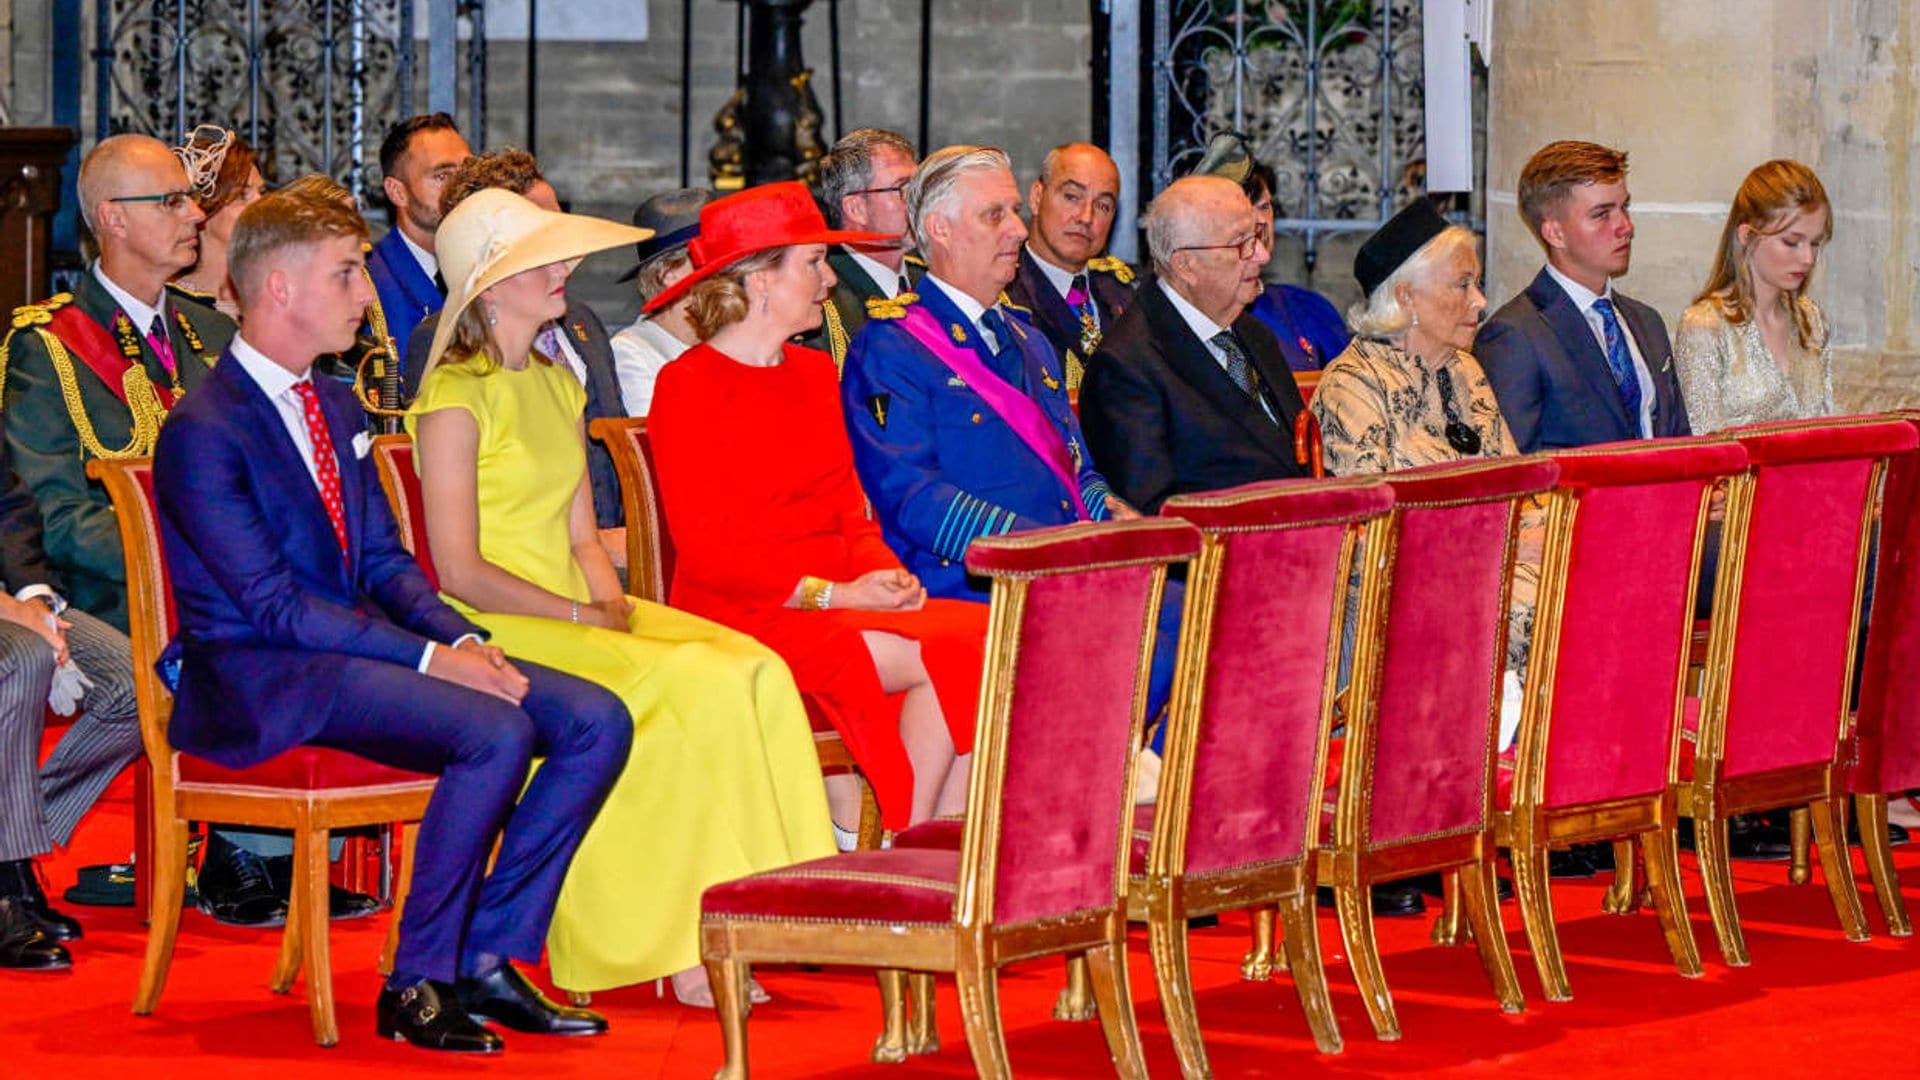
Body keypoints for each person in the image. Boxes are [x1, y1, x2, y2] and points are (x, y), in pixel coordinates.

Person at [155, 189, 629, 1052]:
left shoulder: (333, 407)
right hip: (261, 678)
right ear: (280, 290)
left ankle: (485, 952)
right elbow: (273, 607)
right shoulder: (203, 429)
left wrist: (463, 638)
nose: (367, 296)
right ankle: (417, 978)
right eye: (347, 276)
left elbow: (381, 564)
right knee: (493, 730)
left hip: (345, 656)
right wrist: (429, 662)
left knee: (596, 718)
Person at [409, 188, 834, 1005]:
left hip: (578, 610)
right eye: (543, 260)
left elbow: (580, 540)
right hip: (500, 624)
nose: (567, 269)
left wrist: (615, 610)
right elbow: (457, 571)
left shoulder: (556, 382)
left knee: (751, 664)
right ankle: (675, 947)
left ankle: (763, 912)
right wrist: (585, 619)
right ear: (492, 287)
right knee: (694, 686)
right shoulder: (453, 397)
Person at [644, 181, 987, 837]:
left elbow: (847, 511)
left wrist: (887, 577)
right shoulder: (687, 386)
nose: (830, 281)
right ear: (758, 281)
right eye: (813, 263)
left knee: (990, 638)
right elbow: (710, 555)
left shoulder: (809, 374)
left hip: (837, 596)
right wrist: (834, 595)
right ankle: (900, 840)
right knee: (957, 648)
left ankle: (936, 841)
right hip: (746, 609)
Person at [840, 145, 1128, 602]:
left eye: (1014, 211)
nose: (1018, 229)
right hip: (979, 581)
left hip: (1061, 567)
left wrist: (1112, 515)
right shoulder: (891, 347)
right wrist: (1039, 551)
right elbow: (913, 497)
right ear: (941, 230)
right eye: (995, 215)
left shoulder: (1028, 338)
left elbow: (1076, 464)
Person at [0, 133, 229, 633]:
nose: (195, 214)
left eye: (190, 198)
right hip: (121, 609)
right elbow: (54, 517)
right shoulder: (47, 346)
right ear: (113, 218)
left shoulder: (216, 332)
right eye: (171, 201)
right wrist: (200, 549)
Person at [402, 149, 627, 529]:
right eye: (541, 241)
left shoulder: (581, 322)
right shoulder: (444, 346)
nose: (563, 256)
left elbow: (613, 446)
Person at [0, 409, 140, 970]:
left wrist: (35, 599)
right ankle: (7, 878)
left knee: (132, 685)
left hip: (15, 604)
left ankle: (14, 840)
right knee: (25, 658)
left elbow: (10, 506)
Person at [1079, 174, 1308, 515]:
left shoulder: (1253, 334)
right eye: (1241, 243)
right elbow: (1157, 515)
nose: (1261, 255)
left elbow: (1297, 464)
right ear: (1186, 265)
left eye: (1257, 237)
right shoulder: (1126, 366)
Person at [1475, 140, 1690, 451]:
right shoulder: (1515, 333)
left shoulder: (1646, 320)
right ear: (1555, 233)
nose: (1625, 227)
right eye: (1602, 214)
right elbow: (1517, 467)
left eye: (1624, 207)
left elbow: (1678, 439)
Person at [1310, 198, 1514, 475]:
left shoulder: (1465, 368)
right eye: (1462, 284)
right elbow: (1371, 510)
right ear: (1406, 297)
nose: (1480, 301)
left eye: (1477, 284)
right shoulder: (1351, 384)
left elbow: (1516, 479)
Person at [1674, 160, 1835, 432]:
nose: (1808, 258)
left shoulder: (1811, 319)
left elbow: (1828, 425)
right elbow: (1703, 445)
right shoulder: (1704, 326)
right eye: (1791, 242)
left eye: (1815, 243)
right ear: (1747, 235)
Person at [1001, 142, 1138, 390]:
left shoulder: (1128, 292)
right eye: (1072, 197)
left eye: (1103, 206)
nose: (1086, 217)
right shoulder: (1002, 293)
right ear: (1036, 197)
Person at [800, 128, 924, 368]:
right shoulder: (821, 296)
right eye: (904, 189)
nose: (920, 202)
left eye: (920, 188)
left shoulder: (928, 279)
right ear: (856, 208)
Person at [367, 113, 472, 374]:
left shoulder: (488, 267)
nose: (462, 188)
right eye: (442, 176)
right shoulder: (368, 285)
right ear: (397, 192)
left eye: (467, 172)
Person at [607, 188, 714, 414]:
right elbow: (658, 442)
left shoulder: (733, 335)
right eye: (707, 259)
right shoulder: (632, 351)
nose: (725, 272)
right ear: (668, 274)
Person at [171, 125, 267, 317]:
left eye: (262, 192)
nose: (262, 203)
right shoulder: (172, 304)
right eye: (242, 195)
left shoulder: (271, 293)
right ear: (202, 209)